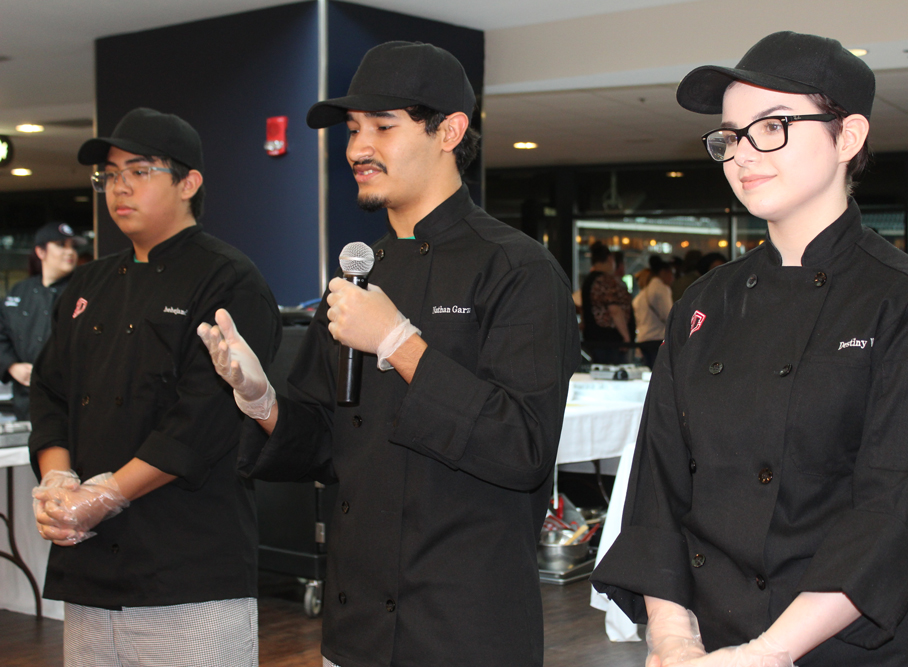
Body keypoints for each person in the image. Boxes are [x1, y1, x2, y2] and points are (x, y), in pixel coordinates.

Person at [591, 31, 908, 666]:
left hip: (845, 645)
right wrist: (674, 639)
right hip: (708, 643)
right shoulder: (704, 302)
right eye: (731, 135)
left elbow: (897, 511)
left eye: (773, 126)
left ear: (847, 137)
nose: (742, 154)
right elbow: (658, 487)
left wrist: (767, 653)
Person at [197, 41, 579, 667]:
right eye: (352, 130)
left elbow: (524, 448)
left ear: (449, 130)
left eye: (382, 126)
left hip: (464, 627)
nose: (356, 149)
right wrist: (259, 397)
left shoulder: (519, 269)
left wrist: (400, 344)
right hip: (354, 628)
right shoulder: (359, 275)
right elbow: (326, 442)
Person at [29, 108, 281, 666]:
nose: (119, 187)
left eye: (139, 171)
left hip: (189, 568)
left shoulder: (229, 279)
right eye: (110, 175)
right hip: (90, 570)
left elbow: (203, 420)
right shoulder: (89, 282)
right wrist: (59, 478)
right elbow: (50, 391)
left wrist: (106, 496)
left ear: (189, 183)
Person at [0, 222, 82, 420]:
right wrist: (12, 366)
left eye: (73, 246)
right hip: (25, 405)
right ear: (40, 251)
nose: (69, 252)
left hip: (72, 405)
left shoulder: (84, 290)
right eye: (61, 245)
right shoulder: (19, 292)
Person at [582, 241, 633, 363]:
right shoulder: (606, 280)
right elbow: (614, 310)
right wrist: (626, 336)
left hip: (594, 339)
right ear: (610, 259)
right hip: (611, 341)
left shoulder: (588, 281)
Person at [633, 254, 674, 368]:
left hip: (643, 338)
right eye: (671, 273)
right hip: (657, 337)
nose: (673, 278)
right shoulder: (661, 288)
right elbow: (669, 315)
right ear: (663, 272)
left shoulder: (643, 293)